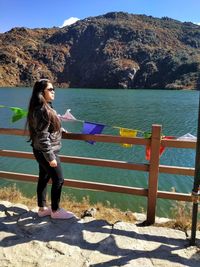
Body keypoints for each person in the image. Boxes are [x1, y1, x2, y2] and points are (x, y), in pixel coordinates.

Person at [26, 79, 75, 219]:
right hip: (47, 151)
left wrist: (60, 129)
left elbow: (46, 129)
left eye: (54, 89)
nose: (54, 91)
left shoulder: (42, 108)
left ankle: (42, 209)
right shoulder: (43, 110)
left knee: (44, 177)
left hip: (39, 150)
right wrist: (51, 157)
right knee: (59, 179)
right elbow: (42, 136)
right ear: (42, 92)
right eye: (51, 89)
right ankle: (55, 211)